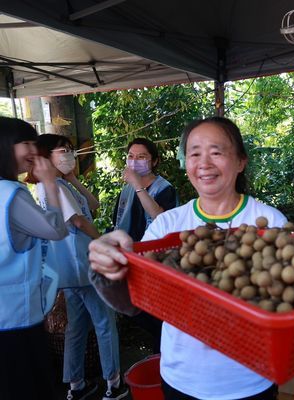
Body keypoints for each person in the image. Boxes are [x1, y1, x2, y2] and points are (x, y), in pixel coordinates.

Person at [89, 116, 286, 400]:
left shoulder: (269, 223)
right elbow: (137, 300)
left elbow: (285, 304)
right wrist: (109, 269)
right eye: (194, 153)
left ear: (241, 161)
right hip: (182, 378)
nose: (204, 163)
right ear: (186, 163)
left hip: (249, 380)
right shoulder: (166, 225)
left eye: (216, 152)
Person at [33, 134, 127, 400]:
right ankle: (114, 384)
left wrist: (73, 178)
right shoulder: (54, 188)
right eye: (63, 150)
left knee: (77, 326)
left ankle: (76, 385)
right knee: (105, 323)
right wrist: (103, 242)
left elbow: (93, 206)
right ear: (46, 156)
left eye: (70, 150)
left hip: (70, 269)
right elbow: (79, 222)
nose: (69, 155)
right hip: (84, 264)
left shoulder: (61, 185)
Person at [0, 117, 68, 400]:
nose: (33, 150)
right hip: (16, 318)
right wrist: (50, 184)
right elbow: (56, 229)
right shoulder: (12, 194)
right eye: (25, 143)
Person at [110, 137, 178, 352]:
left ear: (154, 161)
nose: (134, 161)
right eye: (130, 156)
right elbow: (117, 222)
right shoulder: (127, 189)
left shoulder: (164, 188)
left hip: (155, 261)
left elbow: (161, 218)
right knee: (137, 310)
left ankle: (166, 353)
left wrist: (139, 186)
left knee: (158, 314)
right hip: (131, 259)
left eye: (141, 157)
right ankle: (160, 351)